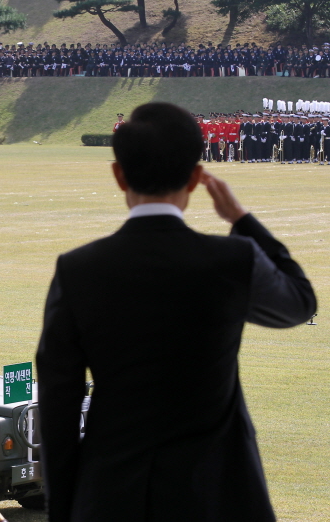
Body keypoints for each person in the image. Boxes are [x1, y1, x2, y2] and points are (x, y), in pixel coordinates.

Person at [36, 102, 316, 522]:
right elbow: (299, 302)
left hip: (113, 493)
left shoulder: (77, 269)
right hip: (218, 493)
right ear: (195, 177)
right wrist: (242, 220)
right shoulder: (231, 259)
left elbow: (58, 403)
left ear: (118, 174)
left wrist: (65, 508)